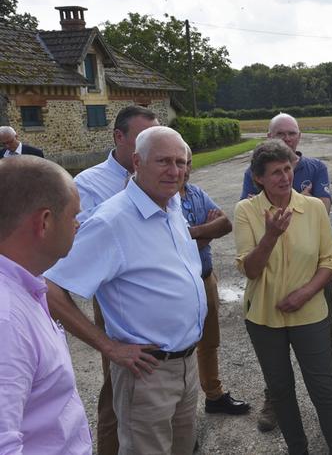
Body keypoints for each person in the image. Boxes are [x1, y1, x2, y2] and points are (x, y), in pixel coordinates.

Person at [44, 126, 207, 454]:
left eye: (180, 162)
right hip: (148, 373)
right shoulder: (112, 221)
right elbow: (49, 286)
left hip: (187, 364)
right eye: (163, 161)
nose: (174, 171)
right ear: (137, 161)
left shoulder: (171, 205)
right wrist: (109, 347)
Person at [234, 139, 332, 455]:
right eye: (275, 173)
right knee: (282, 391)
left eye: (287, 169)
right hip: (263, 318)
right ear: (258, 178)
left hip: (310, 314)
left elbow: (330, 261)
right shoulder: (246, 211)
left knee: (324, 389)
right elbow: (251, 270)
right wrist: (270, 236)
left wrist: (305, 294)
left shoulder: (313, 208)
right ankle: (298, 449)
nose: (284, 177)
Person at [71, 105, 158, 455]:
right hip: (116, 297)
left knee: (160, 379)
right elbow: (83, 246)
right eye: (142, 140)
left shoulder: (156, 172)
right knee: (118, 384)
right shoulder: (88, 184)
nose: (148, 149)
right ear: (118, 137)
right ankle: (109, 447)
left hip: (156, 290)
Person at [0, 156, 91, 454]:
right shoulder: (7, 319)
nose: (77, 225)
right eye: (73, 215)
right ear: (45, 221)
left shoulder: (24, 284)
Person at [179, 148, 249, 415]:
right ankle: (180, 415)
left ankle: (214, 395)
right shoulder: (162, 198)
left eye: (187, 163)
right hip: (179, 286)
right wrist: (205, 235)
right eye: (177, 163)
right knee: (178, 350)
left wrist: (194, 234)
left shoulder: (196, 193)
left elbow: (225, 224)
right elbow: (170, 247)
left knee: (209, 342)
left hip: (205, 279)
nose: (183, 169)